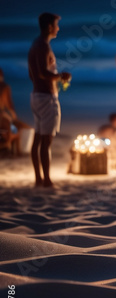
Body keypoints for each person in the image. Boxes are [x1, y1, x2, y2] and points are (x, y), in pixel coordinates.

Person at [28, 12, 71, 187]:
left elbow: (33, 75)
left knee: (38, 139)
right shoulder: (43, 47)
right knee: (46, 141)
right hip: (46, 98)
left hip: (37, 95)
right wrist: (61, 76)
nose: (58, 28)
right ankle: (46, 179)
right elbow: (41, 73)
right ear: (49, 27)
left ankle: (39, 178)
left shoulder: (35, 45)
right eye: (56, 25)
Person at [0, 68, 31, 155]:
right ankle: (14, 148)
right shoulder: (4, 87)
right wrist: (13, 115)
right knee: (16, 127)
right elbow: (9, 105)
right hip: (2, 116)